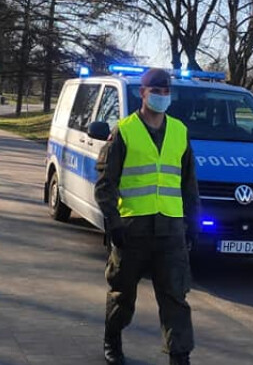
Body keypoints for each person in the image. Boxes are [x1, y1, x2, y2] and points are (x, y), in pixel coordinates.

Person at [95, 67, 200, 365]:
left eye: (166, 92)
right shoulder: (124, 131)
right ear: (142, 93)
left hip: (170, 231)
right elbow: (105, 184)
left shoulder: (179, 131)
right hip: (132, 231)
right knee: (122, 294)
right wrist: (113, 224)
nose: (162, 97)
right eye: (156, 92)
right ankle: (112, 340)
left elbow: (189, 183)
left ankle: (180, 355)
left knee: (175, 298)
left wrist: (193, 223)